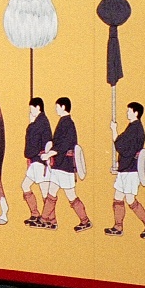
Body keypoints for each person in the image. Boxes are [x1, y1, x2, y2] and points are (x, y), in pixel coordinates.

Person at [42, 97, 90, 231]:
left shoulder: (68, 123)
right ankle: (44, 219)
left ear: (63, 107)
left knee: (71, 196)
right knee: (51, 193)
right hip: (59, 165)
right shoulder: (63, 122)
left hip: (65, 166)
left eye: (57, 107)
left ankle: (85, 221)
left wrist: (49, 154)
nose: (56, 109)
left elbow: (63, 145)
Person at [106, 101, 145, 236]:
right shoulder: (132, 127)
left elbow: (121, 146)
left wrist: (114, 130)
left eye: (129, 111)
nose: (127, 113)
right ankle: (118, 227)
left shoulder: (136, 129)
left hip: (131, 170)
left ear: (135, 113)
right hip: (125, 168)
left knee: (130, 199)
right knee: (118, 198)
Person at [21, 98, 52, 227]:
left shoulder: (41, 122)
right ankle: (35, 214)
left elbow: (36, 140)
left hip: (40, 161)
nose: (31, 111)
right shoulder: (38, 122)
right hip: (35, 161)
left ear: (38, 107)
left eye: (32, 109)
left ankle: (50, 219)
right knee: (25, 186)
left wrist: (31, 124)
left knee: (45, 192)